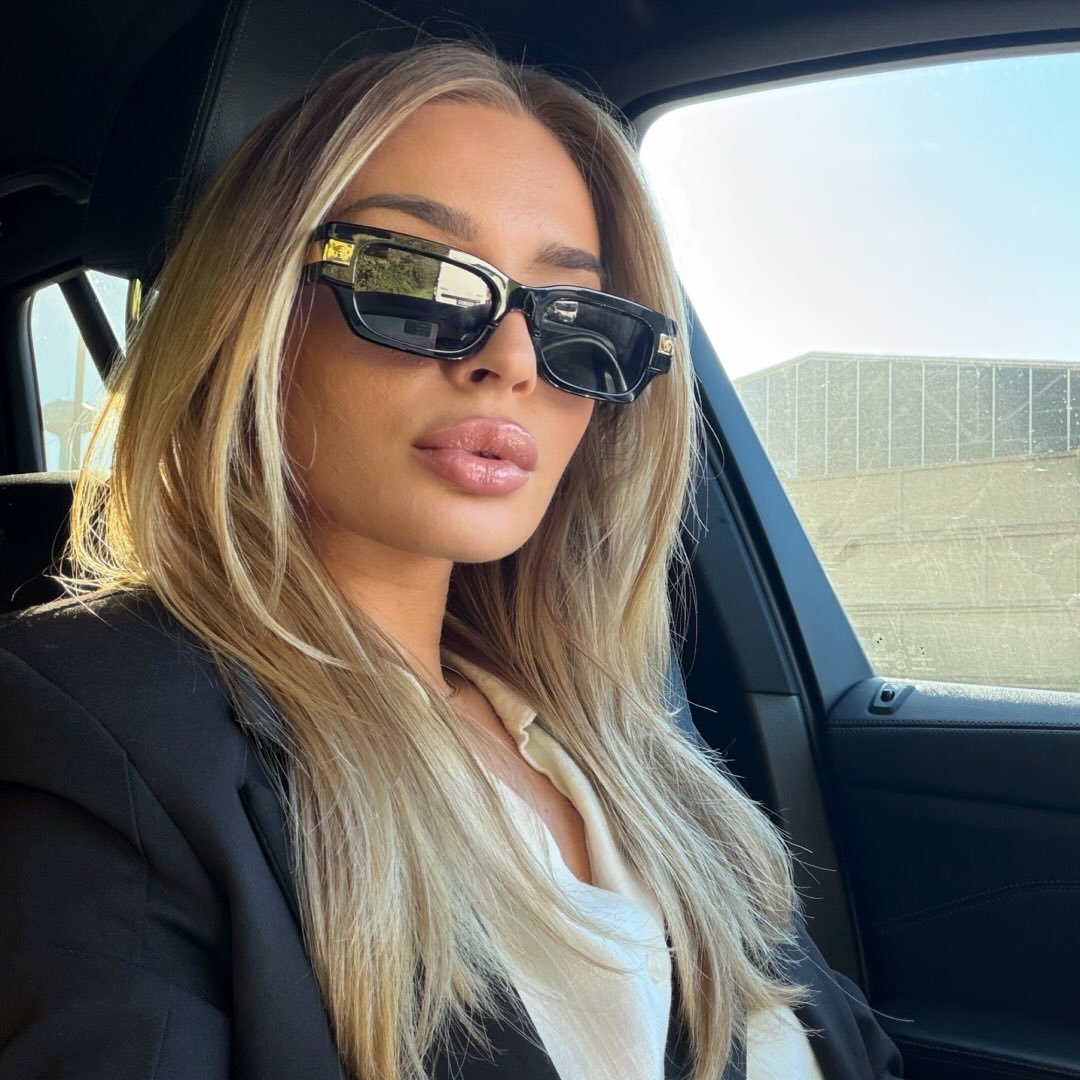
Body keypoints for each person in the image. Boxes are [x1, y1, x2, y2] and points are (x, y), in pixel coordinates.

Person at [0, 42, 902, 1080]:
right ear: (253, 313)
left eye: (577, 319)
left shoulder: (613, 724)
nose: (512, 361)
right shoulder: (93, 732)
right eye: (416, 280)